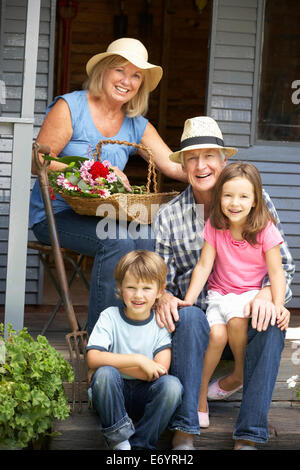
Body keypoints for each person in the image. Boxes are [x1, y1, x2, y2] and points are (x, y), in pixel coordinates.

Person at [153, 116, 295, 450]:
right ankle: (185, 426)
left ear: (223, 161)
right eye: (191, 157)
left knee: (273, 322)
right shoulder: (169, 216)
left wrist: (267, 296)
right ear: (184, 165)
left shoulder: (254, 199)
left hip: (247, 314)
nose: (201, 165)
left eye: (209, 156)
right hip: (201, 326)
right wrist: (166, 297)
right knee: (187, 317)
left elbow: (282, 267)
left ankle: (248, 434)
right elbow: (163, 281)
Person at [29, 37, 186, 335]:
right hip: (55, 214)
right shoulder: (70, 106)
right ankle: (102, 337)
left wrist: (208, 170)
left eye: (136, 75)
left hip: (101, 213)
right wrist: (96, 170)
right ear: (103, 70)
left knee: (149, 235)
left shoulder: (135, 123)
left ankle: (141, 329)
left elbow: (171, 165)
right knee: (117, 240)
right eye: (119, 70)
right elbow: (37, 161)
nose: (127, 81)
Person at [183, 161, 290, 429]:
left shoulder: (266, 229)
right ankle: (200, 395)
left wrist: (278, 305)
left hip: (250, 295)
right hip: (218, 294)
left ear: (255, 200)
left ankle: (239, 373)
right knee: (216, 335)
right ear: (219, 198)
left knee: (237, 320)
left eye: (243, 196)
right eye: (228, 195)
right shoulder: (215, 226)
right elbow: (204, 265)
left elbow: (277, 273)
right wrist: (188, 299)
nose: (234, 202)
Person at [86, 250, 183, 450]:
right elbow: (93, 358)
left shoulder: (160, 323)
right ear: (120, 288)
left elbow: (159, 370)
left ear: (160, 291)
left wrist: (110, 361)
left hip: (145, 396)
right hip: (111, 394)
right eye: (131, 287)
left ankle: (141, 444)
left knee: (172, 386)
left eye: (147, 288)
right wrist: (140, 360)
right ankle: (119, 441)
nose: (138, 295)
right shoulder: (110, 316)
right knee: (105, 374)